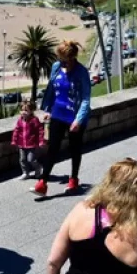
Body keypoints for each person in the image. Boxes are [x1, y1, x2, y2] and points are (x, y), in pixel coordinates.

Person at [34, 40, 92, 196]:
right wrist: (48, 109)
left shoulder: (81, 72)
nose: (61, 63)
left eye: (64, 60)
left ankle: (74, 179)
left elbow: (86, 98)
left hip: (74, 117)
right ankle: (42, 182)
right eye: (59, 59)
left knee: (75, 149)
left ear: (72, 58)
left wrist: (78, 120)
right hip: (57, 114)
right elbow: (53, 88)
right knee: (52, 148)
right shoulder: (56, 67)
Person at [11, 100, 45, 180]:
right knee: (22, 160)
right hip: (21, 144)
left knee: (31, 160)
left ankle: (38, 168)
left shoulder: (34, 120)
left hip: (32, 144)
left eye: (26, 110)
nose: (23, 112)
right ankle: (25, 173)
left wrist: (41, 141)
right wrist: (14, 140)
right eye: (22, 110)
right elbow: (16, 130)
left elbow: (40, 131)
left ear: (31, 111)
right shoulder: (20, 120)